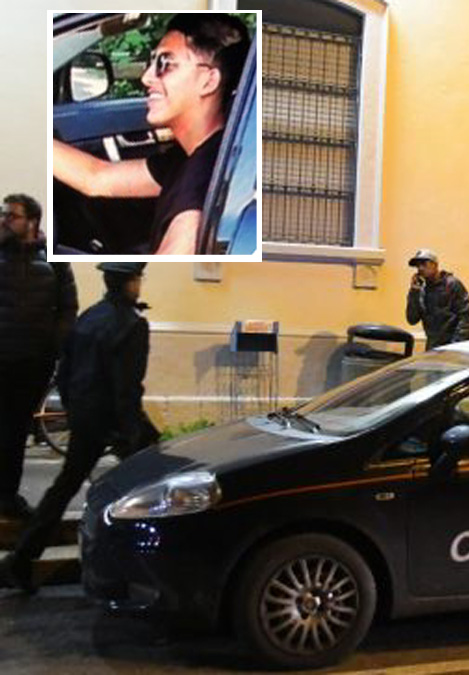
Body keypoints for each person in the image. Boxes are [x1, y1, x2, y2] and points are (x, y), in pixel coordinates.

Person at [1, 263, 157, 592]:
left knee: (64, 488)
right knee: (152, 490)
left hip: (86, 416)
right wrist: (132, 434)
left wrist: (75, 410)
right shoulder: (131, 326)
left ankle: (20, 560)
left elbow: (65, 373)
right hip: (112, 420)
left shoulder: (89, 317)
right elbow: (126, 388)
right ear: (131, 283)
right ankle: (134, 568)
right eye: (138, 279)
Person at [52, 14, 251, 255]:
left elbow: (164, 281)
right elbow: (97, 178)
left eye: (165, 64)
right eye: (152, 62)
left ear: (209, 82)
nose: (146, 77)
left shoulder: (200, 193)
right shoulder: (193, 156)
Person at [0, 195, 78, 520]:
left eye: (11, 215)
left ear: (32, 221)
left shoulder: (55, 261)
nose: (4, 219)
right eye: (2, 213)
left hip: (32, 362)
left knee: (15, 433)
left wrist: (54, 347)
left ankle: (6, 497)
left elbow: (67, 308)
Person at [405, 249, 469, 350]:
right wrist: (414, 292)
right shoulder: (421, 290)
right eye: (417, 265)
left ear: (435, 264)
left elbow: (467, 316)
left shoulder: (452, 284)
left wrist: (456, 345)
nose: (420, 268)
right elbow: (412, 319)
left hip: (455, 347)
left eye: (424, 264)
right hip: (434, 347)